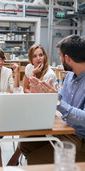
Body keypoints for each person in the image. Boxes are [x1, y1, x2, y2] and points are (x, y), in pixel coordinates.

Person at [20, 34, 85, 164]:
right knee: (25, 144)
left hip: (80, 138)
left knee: (35, 159)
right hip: (65, 129)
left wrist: (57, 101)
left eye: (60, 56)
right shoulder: (69, 77)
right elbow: (59, 98)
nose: (60, 59)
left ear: (67, 58)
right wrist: (45, 94)